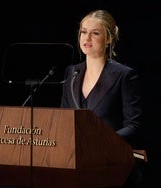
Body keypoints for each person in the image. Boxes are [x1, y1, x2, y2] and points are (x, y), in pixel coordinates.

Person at [60, 9, 145, 187]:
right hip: (78, 166)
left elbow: (134, 125)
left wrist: (102, 143)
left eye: (95, 33)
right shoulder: (71, 73)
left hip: (113, 166)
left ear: (109, 39)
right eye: (83, 32)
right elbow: (63, 119)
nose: (87, 38)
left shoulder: (124, 75)